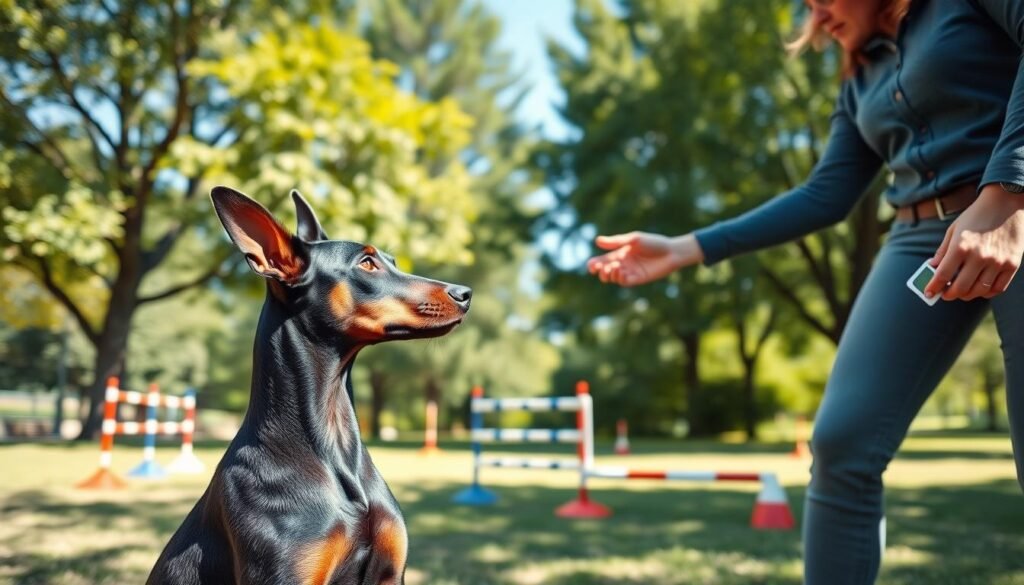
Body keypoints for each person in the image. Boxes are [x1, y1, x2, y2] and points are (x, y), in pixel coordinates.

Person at [586, 1, 1024, 583]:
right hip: (919, 236)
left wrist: (1008, 192)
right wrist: (688, 247)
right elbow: (825, 193)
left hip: (1014, 203)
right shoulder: (860, 73)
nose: (814, 12)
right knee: (842, 443)